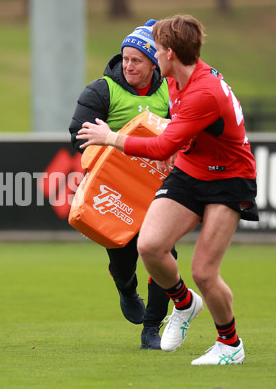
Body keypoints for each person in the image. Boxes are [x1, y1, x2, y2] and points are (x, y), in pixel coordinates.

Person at [76, 14, 257, 365]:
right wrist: (177, 148)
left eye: (157, 49)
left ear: (171, 53)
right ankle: (185, 304)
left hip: (229, 178)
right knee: (150, 245)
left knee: (205, 272)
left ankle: (230, 345)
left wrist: (110, 138)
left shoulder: (203, 91)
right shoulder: (177, 79)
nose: (153, 55)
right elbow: (179, 137)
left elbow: (159, 146)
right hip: (191, 171)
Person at [69, 19, 175, 350]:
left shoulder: (170, 90)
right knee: (123, 256)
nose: (128, 65)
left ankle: (152, 327)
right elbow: (77, 136)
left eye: (137, 60)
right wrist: (117, 145)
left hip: (158, 190)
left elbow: (186, 134)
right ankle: (126, 287)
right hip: (114, 189)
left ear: (153, 62)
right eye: (125, 58)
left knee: (161, 252)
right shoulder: (101, 89)